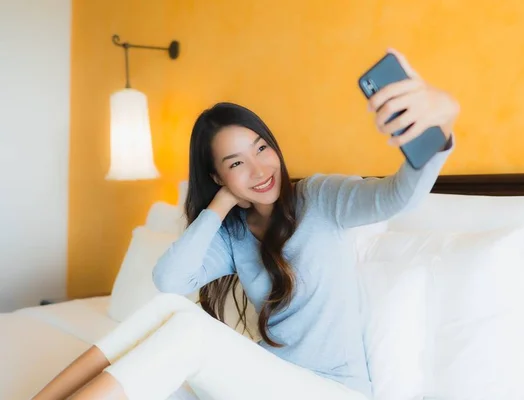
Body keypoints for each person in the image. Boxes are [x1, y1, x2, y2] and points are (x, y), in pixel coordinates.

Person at [32, 48, 459, 400]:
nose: (259, 170)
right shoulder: (234, 235)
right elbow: (169, 278)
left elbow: (398, 195)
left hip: (333, 391)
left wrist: (440, 122)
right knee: (172, 314)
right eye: (237, 163)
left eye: (261, 148)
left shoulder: (321, 198)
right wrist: (220, 204)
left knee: (190, 333)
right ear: (219, 178)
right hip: (272, 383)